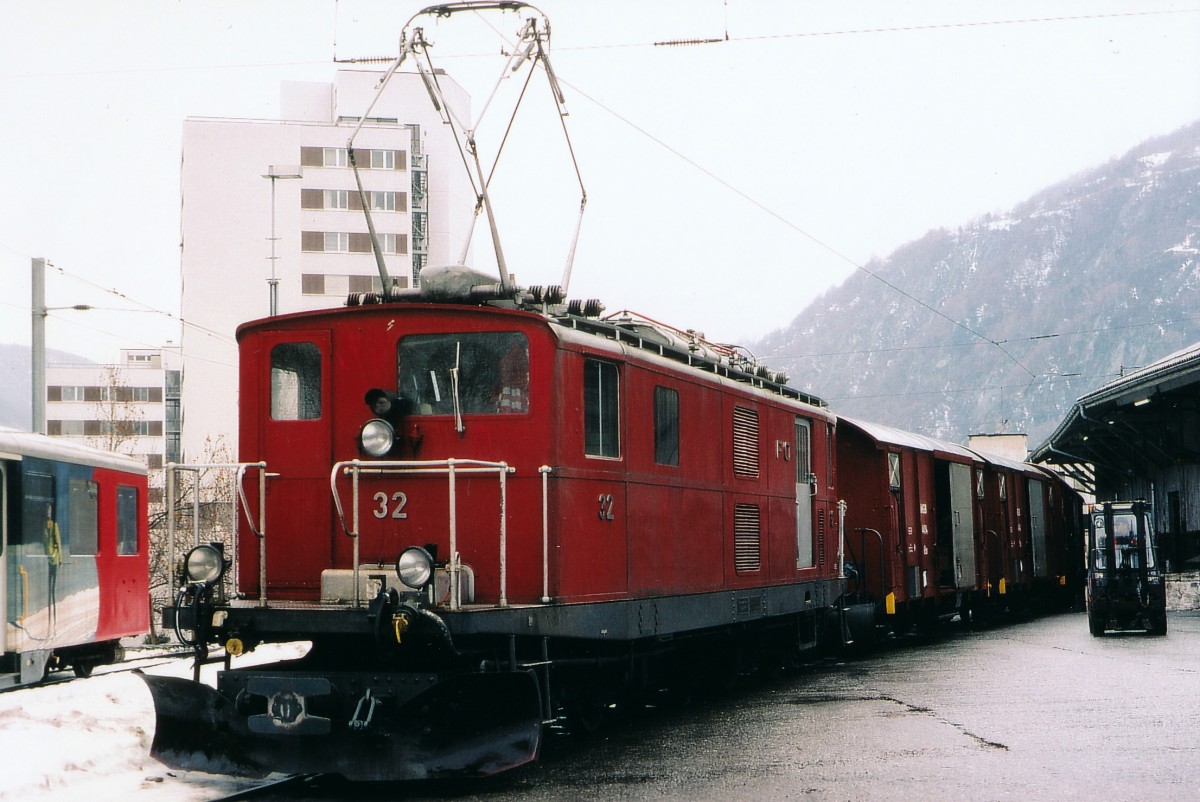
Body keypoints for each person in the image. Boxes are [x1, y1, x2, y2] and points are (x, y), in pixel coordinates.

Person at [44, 504, 62, 628]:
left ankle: (54, 623)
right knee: (49, 591)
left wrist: (59, 558)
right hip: (48, 559)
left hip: (53, 559)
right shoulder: (45, 526)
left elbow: (58, 542)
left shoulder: (53, 525)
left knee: (52, 591)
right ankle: (50, 623)